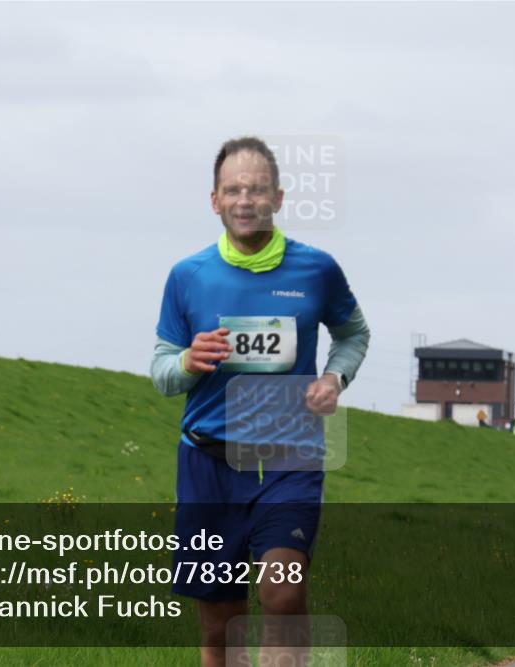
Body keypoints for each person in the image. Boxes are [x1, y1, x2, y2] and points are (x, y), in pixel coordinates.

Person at [150, 137, 369, 667]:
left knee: (283, 591)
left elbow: (353, 334)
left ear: (278, 197)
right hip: (207, 462)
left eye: (256, 189)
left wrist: (335, 379)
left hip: (288, 458)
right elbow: (161, 371)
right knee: (219, 623)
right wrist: (187, 361)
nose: (244, 200)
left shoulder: (316, 270)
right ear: (214, 200)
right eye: (233, 190)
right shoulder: (187, 276)